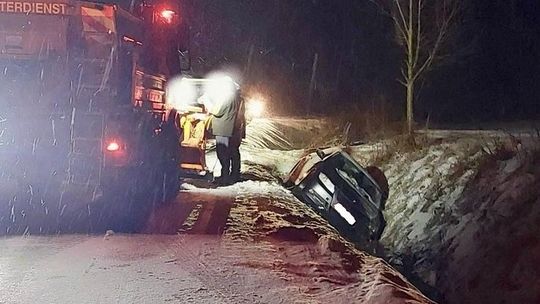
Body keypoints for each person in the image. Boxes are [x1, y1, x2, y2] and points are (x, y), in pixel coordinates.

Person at [210, 87, 246, 185]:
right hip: (235, 129)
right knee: (233, 152)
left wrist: (206, 101)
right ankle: (234, 174)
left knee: (223, 153)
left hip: (224, 129)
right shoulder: (239, 98)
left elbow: (217, 111)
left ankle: (225, 177)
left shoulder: (227, 97)